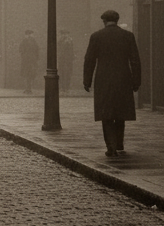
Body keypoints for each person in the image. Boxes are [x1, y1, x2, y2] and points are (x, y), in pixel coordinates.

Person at [83, 9, 142, 158]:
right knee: (120, 111)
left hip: (104, 79)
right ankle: (119, 143)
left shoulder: (96, 36)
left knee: (106, 113)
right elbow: (135, 60)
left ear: (104, 21)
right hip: (123, 78)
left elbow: (89, 60)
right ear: (117, 20)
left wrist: (87, 81)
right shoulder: (128, 36)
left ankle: (111, 146)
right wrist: (136, 81)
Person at [19, 29, 39, 94]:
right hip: (30, 61)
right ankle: (28, 88)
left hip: (28, 61)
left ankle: (28, 88)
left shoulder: (27, 41)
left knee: (28, 75)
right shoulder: (32, 41)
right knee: (28, 75)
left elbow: (20, 50)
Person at [57, 29, 75, 94]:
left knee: (67, 74)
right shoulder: (61, 41)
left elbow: (71, 51)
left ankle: (66, 88)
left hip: (67, 60)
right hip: (63, 60)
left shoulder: (69, 41)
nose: (65, 35)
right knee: (62, 73)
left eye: (66, 34)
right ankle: (63, 88)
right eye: (64, 34)